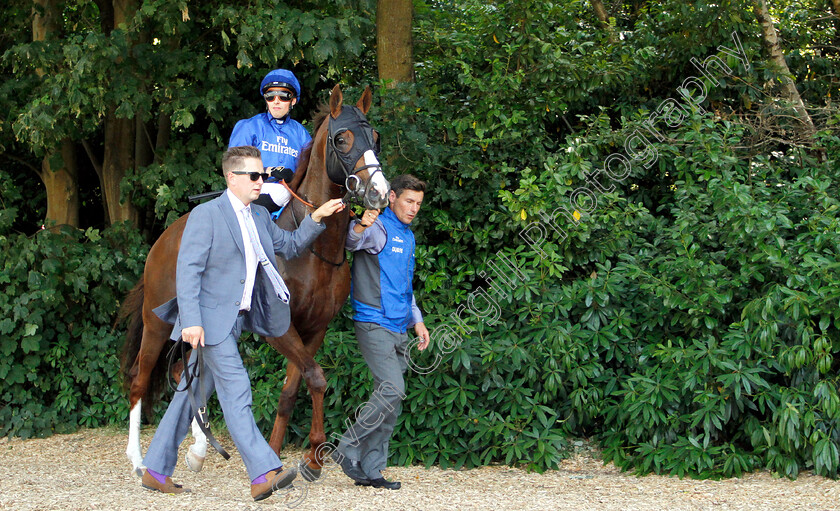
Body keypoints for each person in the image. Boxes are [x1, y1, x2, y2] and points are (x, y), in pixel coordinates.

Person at [142, 146, 345, 501]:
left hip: (235, 321)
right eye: (254, 176)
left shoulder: (261, 217)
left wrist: (317, 218)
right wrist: (190, 320)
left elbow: (292, 246)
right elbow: (188, 269)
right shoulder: (207, 215)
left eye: (263, 175)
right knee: (237, 392)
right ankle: (263, 472)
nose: (261, 181)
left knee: (190, 395)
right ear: (230, 177)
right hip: (208, 322)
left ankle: (156, 470)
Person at [333, 174, 431, 490]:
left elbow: (405, 286)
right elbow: (351, 240)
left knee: (391, 403)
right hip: (373, 323)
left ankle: (371, 471)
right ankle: (346, 446)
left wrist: (417, 321)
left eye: (418, 203)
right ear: (392, 197)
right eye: (408, 201)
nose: (413, 208)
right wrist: (362, 222)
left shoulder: (409, 236)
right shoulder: (378, 228)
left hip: (400, 327)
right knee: (392, 388)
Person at [229, 68, 310, 213]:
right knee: (281, 193)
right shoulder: (249, 126)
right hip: (253, 189)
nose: (276, 101)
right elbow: (235, 166)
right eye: (270, 96)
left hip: (291, 194)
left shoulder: (301, 134)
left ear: (293, 101)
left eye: (283, 96)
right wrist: (270, 171)